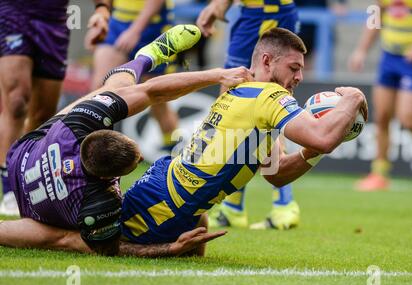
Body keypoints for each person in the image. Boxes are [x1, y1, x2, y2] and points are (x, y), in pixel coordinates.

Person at [1, 27, 367, 255]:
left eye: (303, 69)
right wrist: (351, 100)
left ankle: (145, 57)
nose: (301, 77)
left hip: (162, 186)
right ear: (267, 61)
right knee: (69, 239)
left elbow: (277, 173)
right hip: (162, 211)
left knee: (113, 92)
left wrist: (313, 153)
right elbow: (322, 134)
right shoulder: (266, 98)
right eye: (294, 68)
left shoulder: (249, 99)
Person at [0, 25, 252, 257]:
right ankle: (140, 60)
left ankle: (146, 57)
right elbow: (103, 246)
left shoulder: (76, 127)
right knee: (61, 238)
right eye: (133, 164)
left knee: (113, 93)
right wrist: (169, 248)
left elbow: (150, 91)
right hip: (35, 216)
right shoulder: (99, 203)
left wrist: (218, 76)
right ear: (104, 180)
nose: (141, 158)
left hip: (20, 156)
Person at [196, 0, 302, 230]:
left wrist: (217, 6)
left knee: (255, 103)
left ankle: (284, 203)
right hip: (253, 14)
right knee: (241, 106)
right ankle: (234, 207)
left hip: (265, 13)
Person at [0, 0, 111, 216]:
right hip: (12, 12)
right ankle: (9, 189)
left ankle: (25, 175)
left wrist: (101, 10)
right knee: (16, 103)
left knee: (43, 115)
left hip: (55, 20)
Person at [348, 0, 412, 192]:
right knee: (383, 115)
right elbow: (376, 15)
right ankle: (379, 173)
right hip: (389, 56)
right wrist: (361, 50)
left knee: (408, 118)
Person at [88, 0, 181, 154]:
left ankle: (174, 146)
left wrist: (135, 30)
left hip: (154, 25)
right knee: (98, 90)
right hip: (117, 23)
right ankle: (89, 149)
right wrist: (101, 18)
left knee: (158, 96)